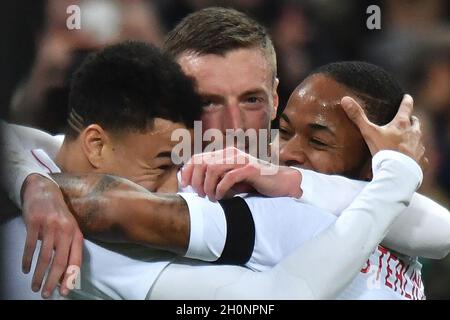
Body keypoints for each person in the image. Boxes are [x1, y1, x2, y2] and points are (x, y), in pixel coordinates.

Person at [2, 40, 425, 300]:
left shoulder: (381, 216)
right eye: (166, 163)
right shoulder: (79, 235)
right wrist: (33, 185)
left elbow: (440, 232)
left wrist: (396, 178)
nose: (182, 180)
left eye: (251, 100)